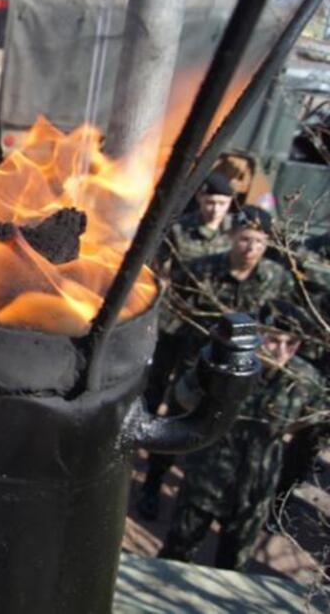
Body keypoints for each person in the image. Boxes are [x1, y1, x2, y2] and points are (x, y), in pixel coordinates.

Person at [137, 205, 292, 520]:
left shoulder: (276, 279)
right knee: (177, 424)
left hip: (243, 374)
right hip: (198, 366)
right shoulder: (202, 269)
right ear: (233, 236)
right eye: (246, 239)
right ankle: (153, 484)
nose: (251, 249)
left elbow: (281, 323)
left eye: (260, 243)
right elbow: (175, 313)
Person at [158, 300, 323, 570]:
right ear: (258, 334)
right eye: (274, 340)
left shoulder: (304, 380)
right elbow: (183, 395)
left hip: (255, 488)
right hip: (207, 477)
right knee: (176, 554)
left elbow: (310, 422)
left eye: (291, 345)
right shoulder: (227, 364)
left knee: (233, 566)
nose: (281, 351)